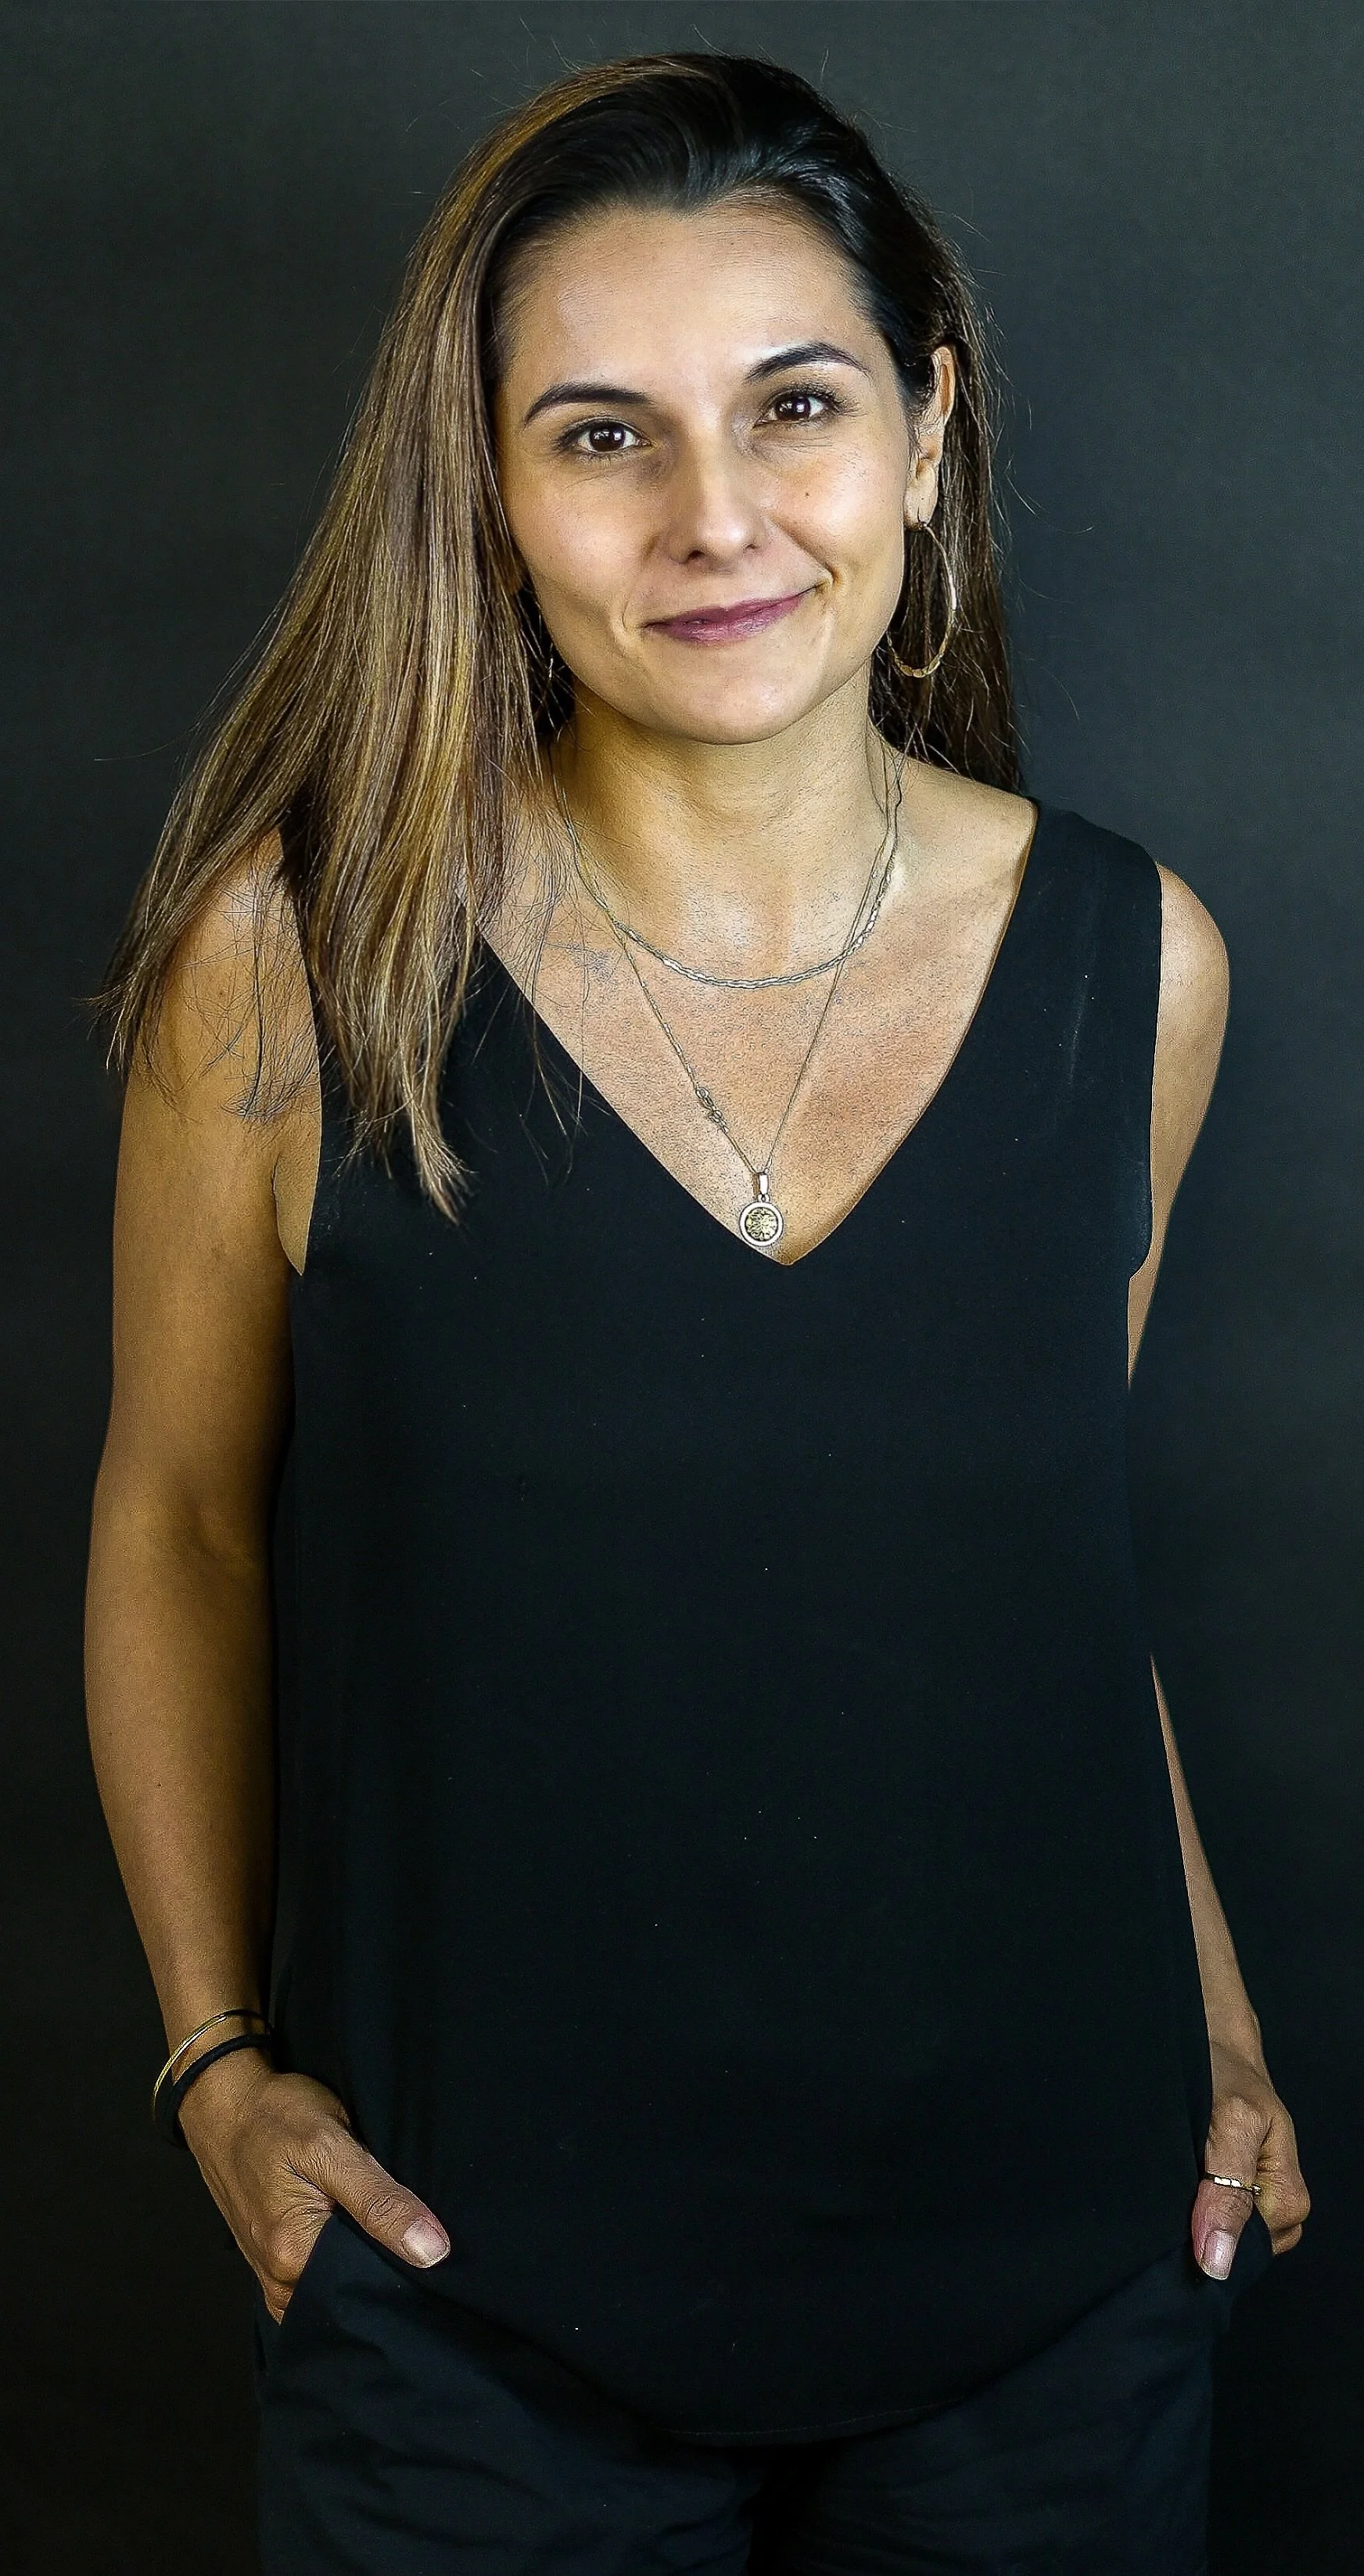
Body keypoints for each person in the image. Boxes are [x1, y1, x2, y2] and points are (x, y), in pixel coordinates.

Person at [86, 52, 1309, 2576]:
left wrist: (1207, 2004)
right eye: (602, 435)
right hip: (472, 2315)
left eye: (797, 406)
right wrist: (215, 2058)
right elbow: (182, 1518)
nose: (716, 516)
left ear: (930, 430)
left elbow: (1050, 1586)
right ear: (487, 488)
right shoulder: (299, 969)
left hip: (1059, 2294)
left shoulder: (1140, 967)